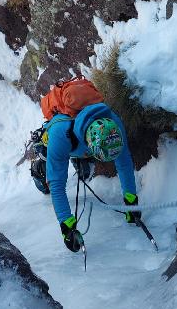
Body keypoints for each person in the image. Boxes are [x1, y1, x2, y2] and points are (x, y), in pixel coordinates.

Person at [38, 88, 141, 252]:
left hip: (78, 143)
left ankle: (80, 161)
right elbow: (56, 185)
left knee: (84, 172)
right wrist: (67, 226)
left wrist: (131, 200)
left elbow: (124, 162)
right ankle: (38, 168)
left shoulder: (113, 126)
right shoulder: (59, 135)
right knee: (44, 172)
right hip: (61, 137)